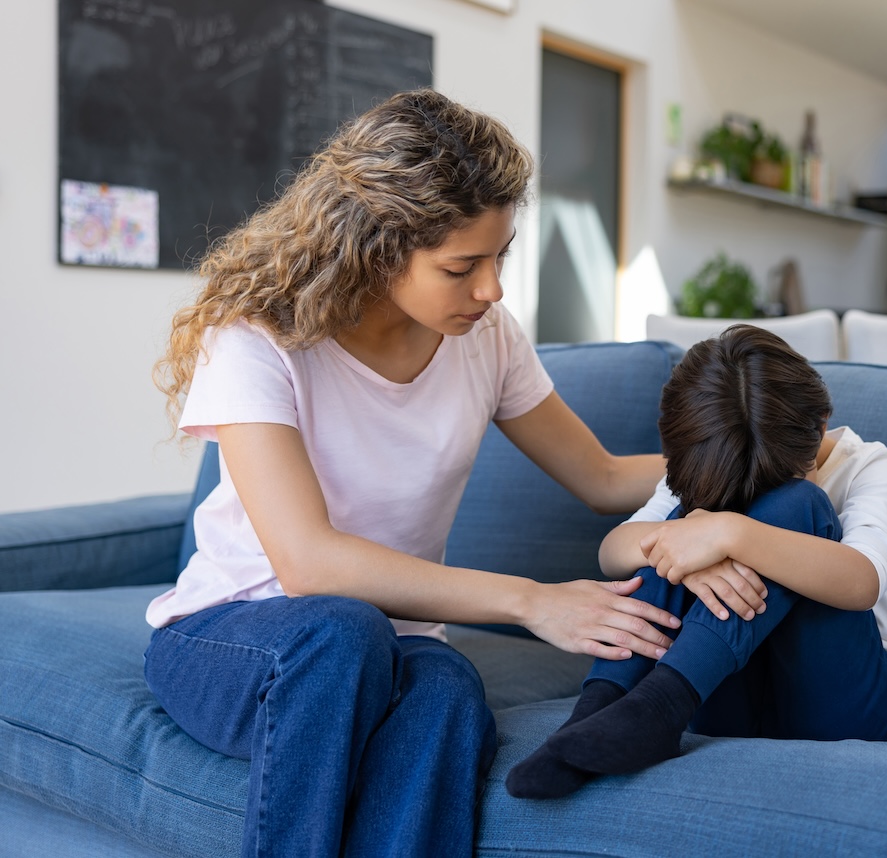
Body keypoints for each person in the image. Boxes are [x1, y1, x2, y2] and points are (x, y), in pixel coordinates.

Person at [143, 88, 680, 858]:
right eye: (463, 266)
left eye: (500, 256)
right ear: (377, 243)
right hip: (231, 639)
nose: (491, 289)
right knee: (341, 629)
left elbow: (600, 476)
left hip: (386, 645)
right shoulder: (259, 338)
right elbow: (308, 564)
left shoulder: (487, 338)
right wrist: (531, 601)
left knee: (446, 690)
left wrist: (758, 461)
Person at [506, 325, 887, 799]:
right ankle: (599, 713)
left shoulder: (866, 463)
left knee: (798, 505)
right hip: (728, 690)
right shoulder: (706, 456)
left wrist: (730, 532)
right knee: (671, 530)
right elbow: (613, 550)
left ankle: (664, 705)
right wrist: (689, 539)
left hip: (847, 705)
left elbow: (863, 581)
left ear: (822, 421)